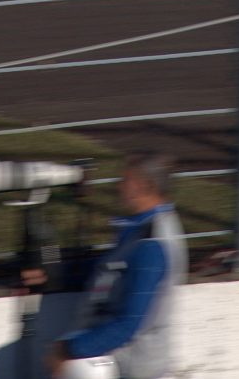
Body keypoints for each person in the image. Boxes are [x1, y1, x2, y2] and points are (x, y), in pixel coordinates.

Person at [46, 150, 186, 379]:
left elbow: (129, 325)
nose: (118, 186)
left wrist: (68, 349)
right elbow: (110, 267)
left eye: (125, 180)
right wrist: (54, 274)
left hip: (128, 368)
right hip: (116, 364)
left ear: (143, 186)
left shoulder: (152, 243)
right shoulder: (141, 229)